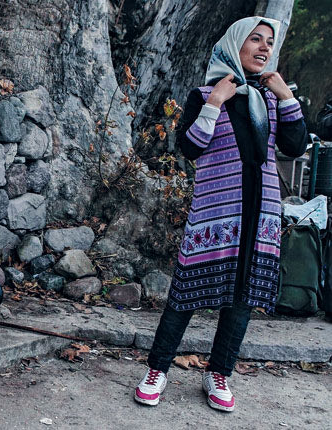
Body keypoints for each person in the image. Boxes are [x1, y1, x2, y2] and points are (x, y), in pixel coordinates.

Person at [133, 17, 307, 412]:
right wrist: (214, 103)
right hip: (216, 218)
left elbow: (295, 147)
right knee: (186, 295)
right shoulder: (203, 94)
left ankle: (218, 373)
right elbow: (191, 147)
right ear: (234, 44)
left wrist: (286, 97)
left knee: (242, 300)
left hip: (260, 217)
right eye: (256, 40)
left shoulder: (270, 99)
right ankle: (157, 369)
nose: (264, 48)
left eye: (269, 42)